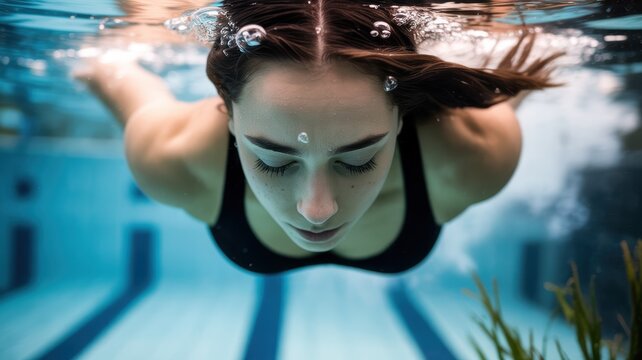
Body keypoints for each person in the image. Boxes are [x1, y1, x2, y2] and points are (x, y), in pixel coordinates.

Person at [78, 0, 561, 274]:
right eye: (273, 160)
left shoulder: (474, 153)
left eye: (358, 159)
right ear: (227, 114)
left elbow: (505, 91)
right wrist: (101, 62)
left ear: (399, 119)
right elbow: (115, 79)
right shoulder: (172, 156)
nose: (317, 210)